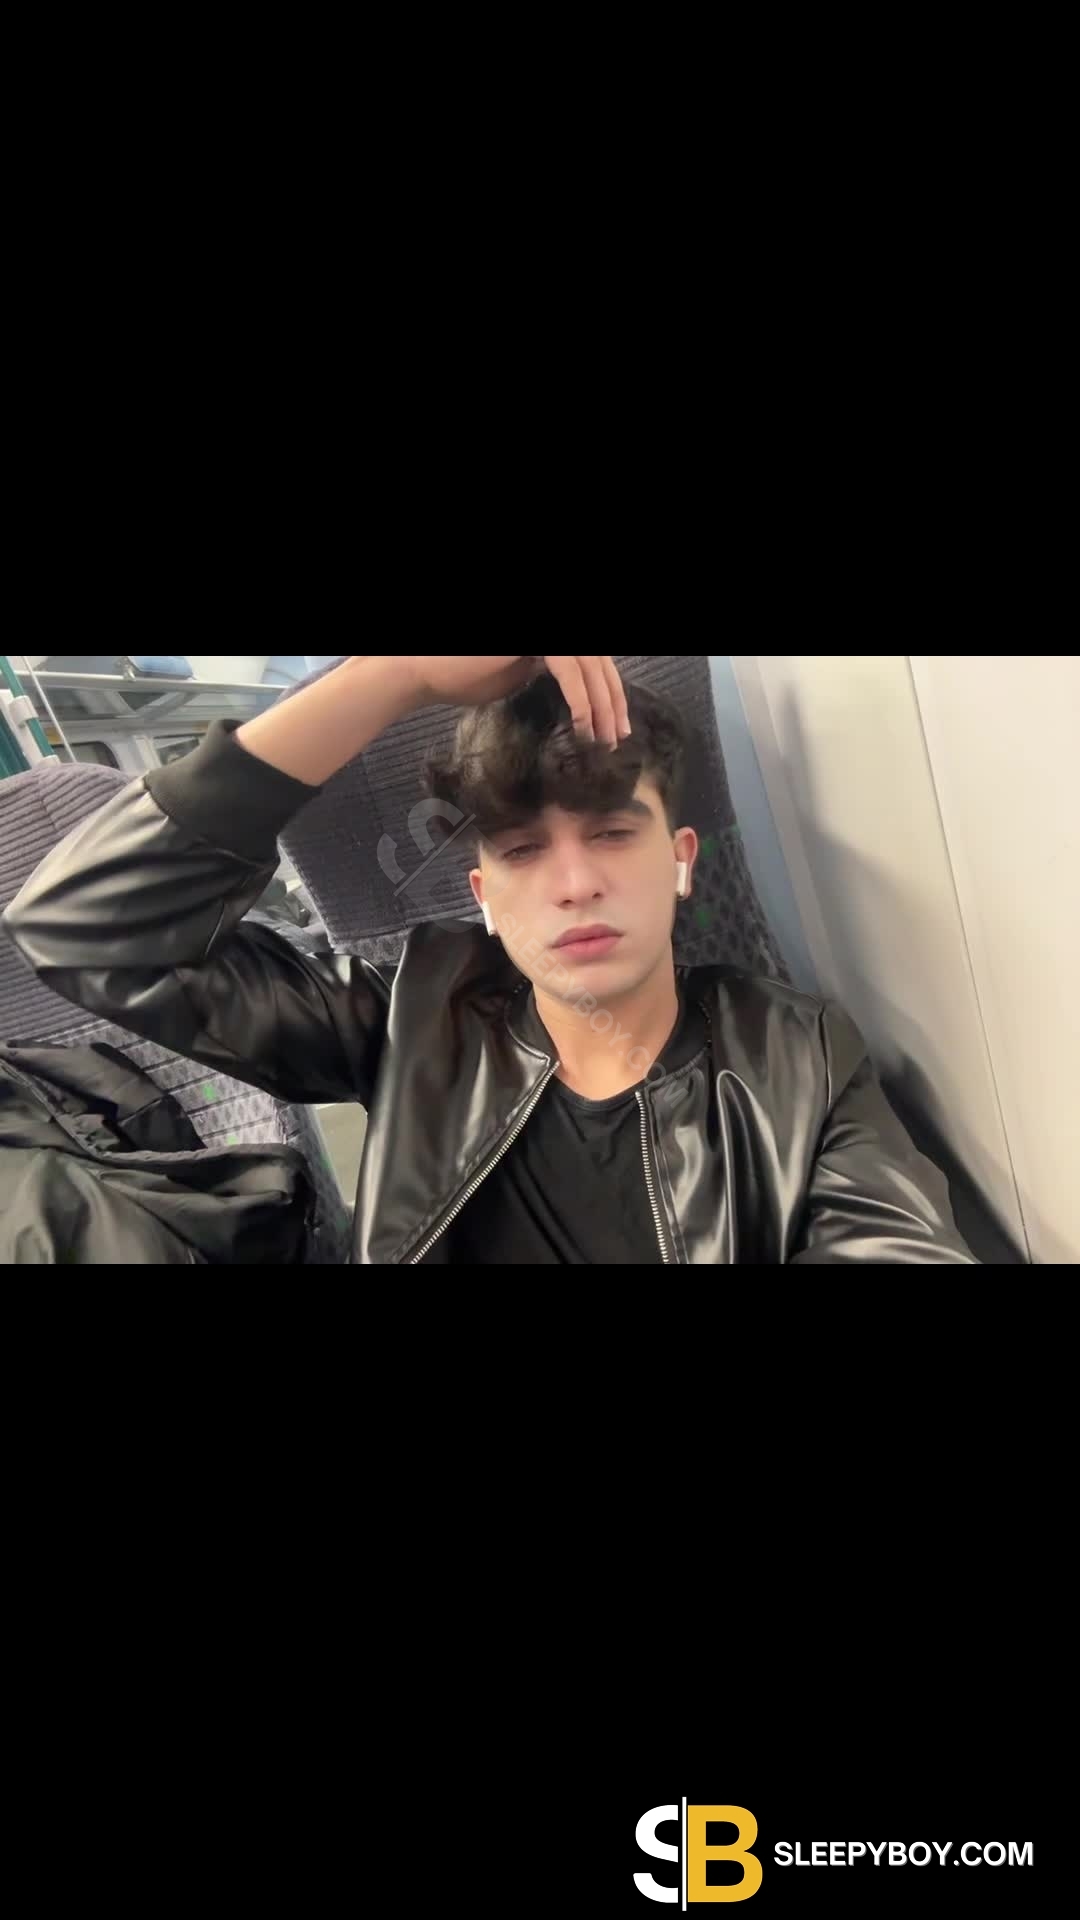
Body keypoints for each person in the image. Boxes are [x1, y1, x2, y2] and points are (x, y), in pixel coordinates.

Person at [3, 654, 977, 1264]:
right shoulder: (409, 1013)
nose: (573, 883)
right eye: (521, 851)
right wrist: (390, 677)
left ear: (681, 860)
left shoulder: (795, 1057)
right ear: (482, 896)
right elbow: (83, 929)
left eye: (611, 833)